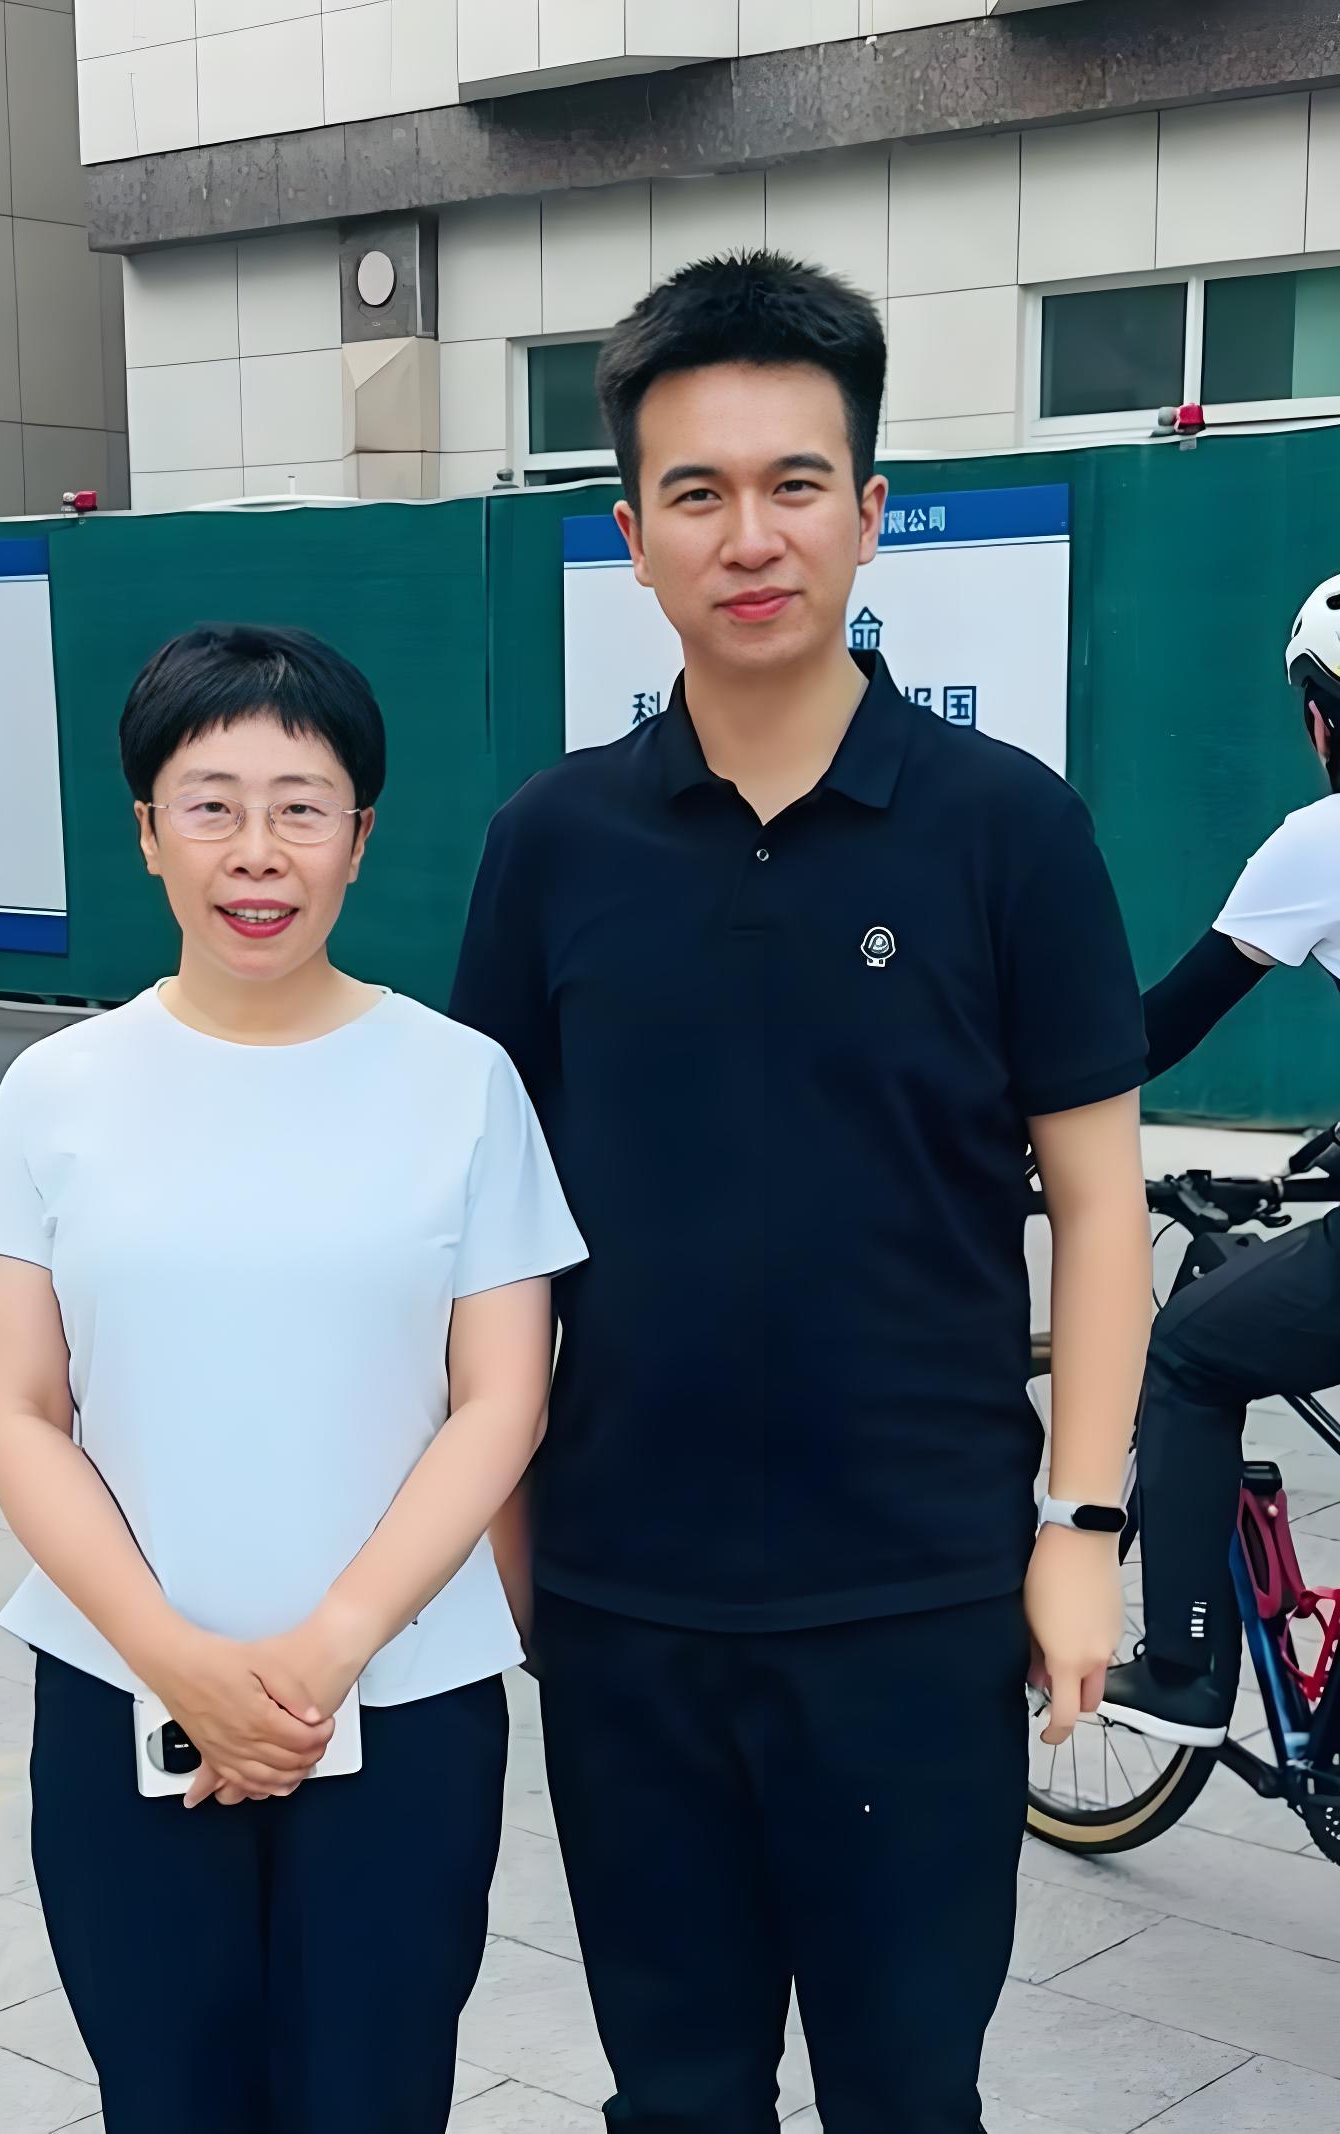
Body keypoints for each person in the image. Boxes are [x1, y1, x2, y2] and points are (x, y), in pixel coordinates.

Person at [450, 252, 1153, 2134]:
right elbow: (490, 1229)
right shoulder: (551, 845)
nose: (748, 536)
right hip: (626, 1600)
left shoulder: (1009, 827)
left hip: (919, 1593)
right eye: (696, 490)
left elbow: (1100, 1204)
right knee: (676, 2094)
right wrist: (508, 1533)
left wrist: (1080, 1523)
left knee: (910, 2091)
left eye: (793, 483)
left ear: (869, 508)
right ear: (631, 533)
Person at [0, 623, 585, 2133]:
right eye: (211, 804)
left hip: (403, 1696)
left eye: (302, 807)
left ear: (359, 837)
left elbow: (503, 1396)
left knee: (375, 2093)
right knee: (167, 2094)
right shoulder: (58, 1090)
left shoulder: (461, 1081)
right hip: (120, 1690)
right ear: (146, 832)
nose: (257, 850)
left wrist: (330, 1648)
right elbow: (20, 1408)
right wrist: (170, 1653)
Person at [1099, 573, 1340, 1747]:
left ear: (1319, 719)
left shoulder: (1321, 842)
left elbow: (1159, 1028)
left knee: (1188, 1355)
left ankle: (1183, 1667)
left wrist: (994, 1103)